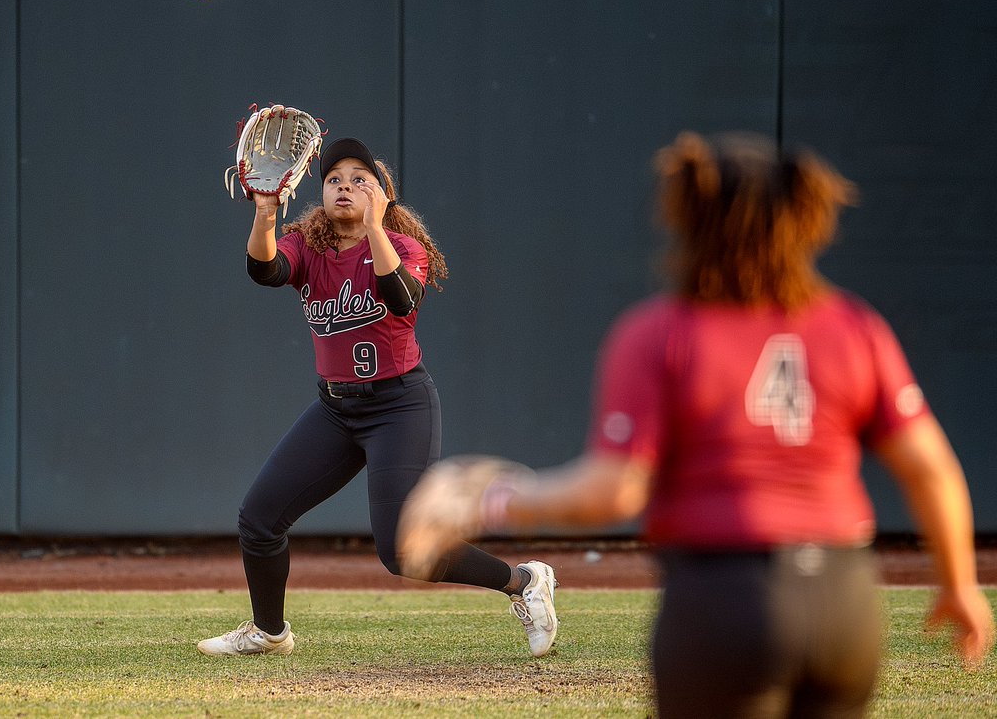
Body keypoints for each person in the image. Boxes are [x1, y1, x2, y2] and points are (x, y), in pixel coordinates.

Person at [399, 131, 994, 717]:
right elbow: (931, 469)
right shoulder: (853, 328)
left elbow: (616, 490)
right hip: (845, 602)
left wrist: (493, 500)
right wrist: (960, 586)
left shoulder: (662, 332)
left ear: (689, 219)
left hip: (723, 600)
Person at [199, 137, 558, 657]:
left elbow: (400, 297)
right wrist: (265, 212)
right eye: (334, 179)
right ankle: (270, 633)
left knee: (402, 552)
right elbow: (266, 270)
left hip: (398, 407)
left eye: (359, 178)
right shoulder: (309, 245)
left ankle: (523, 581)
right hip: (336, 409)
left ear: (384, 195)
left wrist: (374, 226)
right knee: (258, 519)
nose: (344, 185)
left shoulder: (403, 248)